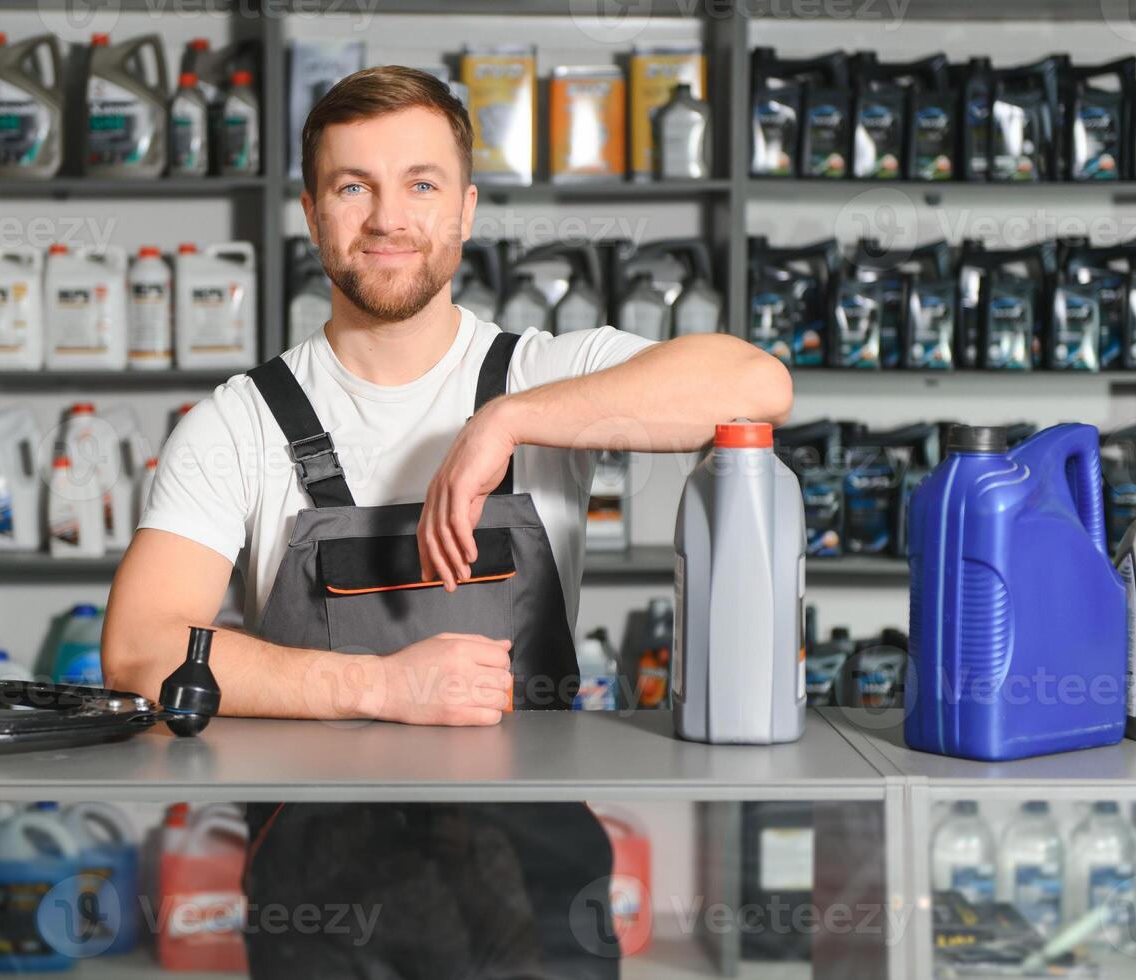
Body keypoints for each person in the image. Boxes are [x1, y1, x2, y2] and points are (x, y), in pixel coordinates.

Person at [104, 65, 791, 978]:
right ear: (312, 213)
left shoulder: (548, 373)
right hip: (321, 903)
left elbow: (756, 386)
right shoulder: (239, 422)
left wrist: (505, 421)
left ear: (464, 210)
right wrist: (380, 688)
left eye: (420, 184)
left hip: (538, 893)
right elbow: (142, 654)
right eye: (355, 187)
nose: (388, 219)